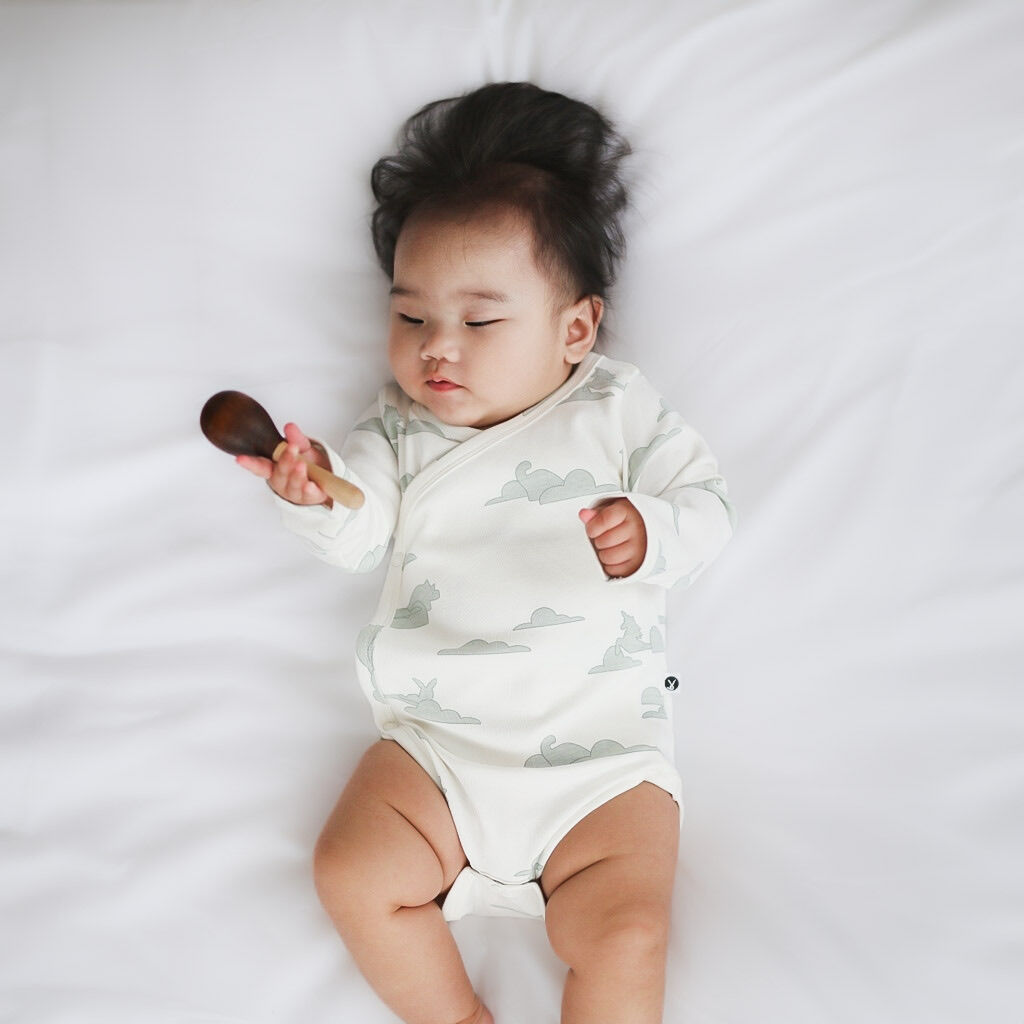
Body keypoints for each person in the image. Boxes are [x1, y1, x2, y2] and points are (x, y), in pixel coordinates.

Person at [236, 82, 734, 1024]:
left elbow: (706, 506)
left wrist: (648, 534)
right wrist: (322, 491)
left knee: (628, 936)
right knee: (349, 870)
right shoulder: (398, 431)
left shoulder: (617, 409)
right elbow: (363, 527)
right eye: (412, 317)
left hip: (600, 759)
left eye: (481, 319)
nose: (437, 352)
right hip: (438, 751)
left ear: (575, 330)